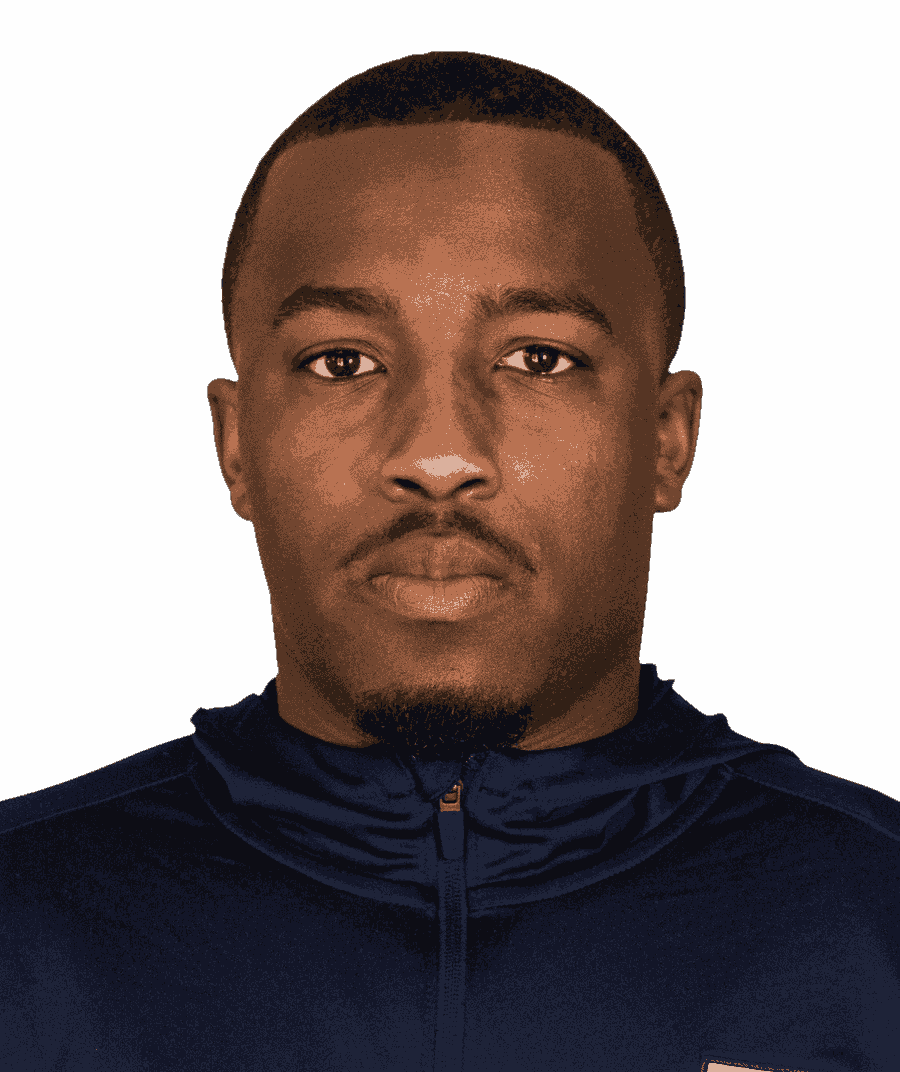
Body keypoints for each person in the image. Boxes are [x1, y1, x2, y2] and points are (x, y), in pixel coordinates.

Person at [1, 53, 896, 1072]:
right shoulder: (23, 930)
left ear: (667, 439)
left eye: (538, 359)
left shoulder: (877, 922)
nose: (437, 455)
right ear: (236, 445)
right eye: (343, 362)